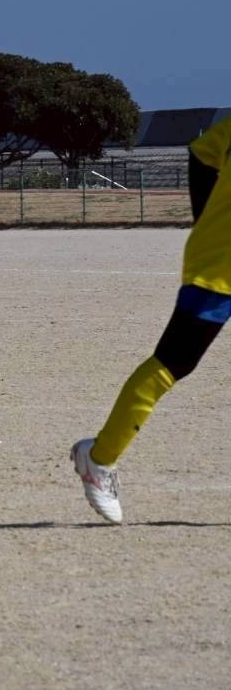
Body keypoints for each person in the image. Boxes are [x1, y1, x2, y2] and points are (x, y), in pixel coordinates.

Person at [70, 116, 231, 525]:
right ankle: (99, 457)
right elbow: (201, 155)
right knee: (173, 364)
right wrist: (208, 223)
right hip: (220, 265)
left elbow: (201, 153)